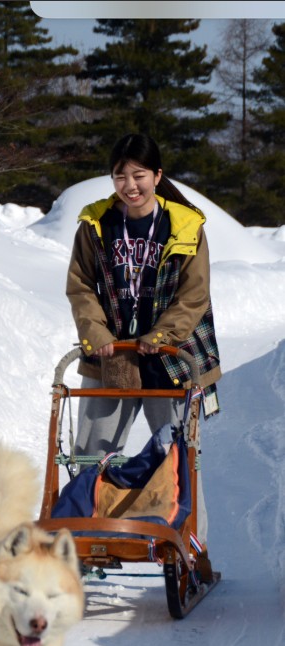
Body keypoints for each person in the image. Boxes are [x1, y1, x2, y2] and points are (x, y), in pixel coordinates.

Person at [65, 133, 221, 544]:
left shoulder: (185, 226)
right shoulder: (97, 224)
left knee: (180, 455)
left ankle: (191, 544)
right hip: (111, 353)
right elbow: (80, 284)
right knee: (91, 452)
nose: (130, 186)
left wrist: (162, 334)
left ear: (157, 175)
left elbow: (195, 293)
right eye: (120, 176)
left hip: (169, 356)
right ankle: (84, 537)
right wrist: (96, 333)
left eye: (139, 175)